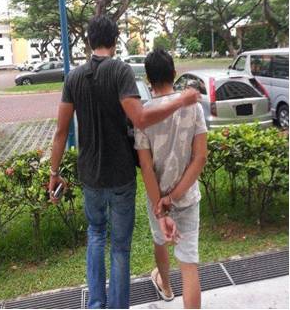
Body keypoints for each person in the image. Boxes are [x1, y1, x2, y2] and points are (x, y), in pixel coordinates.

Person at [48, 16, 200, 309]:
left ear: (89, 42)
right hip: (120, 176)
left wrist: (54, 172)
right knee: (119, 246)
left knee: (95, 236)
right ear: (115, 42)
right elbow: (140, 118)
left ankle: (95, 304)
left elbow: (60, 131)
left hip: (90, 174)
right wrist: (181, 101)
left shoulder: (74, 77)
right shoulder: (120, 71)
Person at [134, 48, 207, 309]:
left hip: (157, 201)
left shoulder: (143, 115)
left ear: (147, 79)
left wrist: (160, 203)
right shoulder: (193, 107)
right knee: (189, 267)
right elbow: (200, 157)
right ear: (174, 74)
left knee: (160, 241)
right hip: (186, 198)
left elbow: (145, 166)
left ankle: (165, 286)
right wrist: (174, 197)